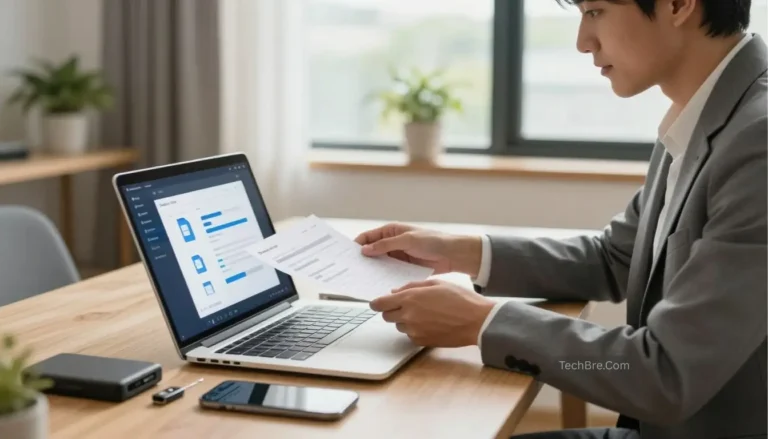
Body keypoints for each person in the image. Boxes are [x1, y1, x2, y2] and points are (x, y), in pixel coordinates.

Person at [354, 0, 767, 438]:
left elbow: (665, 374)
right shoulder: (709, 114)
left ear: (679, 5)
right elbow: (613, 257)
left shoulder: (757, 142)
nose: (582, 42)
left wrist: (483, 321)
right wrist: (458, 252)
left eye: (595, 11)